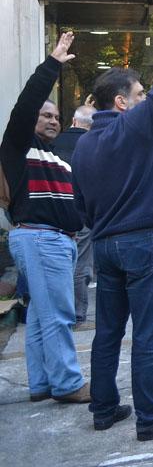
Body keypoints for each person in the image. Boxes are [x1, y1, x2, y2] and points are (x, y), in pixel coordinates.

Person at [72, 4, 153, 440]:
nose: (148, 99)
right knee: (149, 335)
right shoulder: (136, 126)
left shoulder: (84, 146)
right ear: (122, 102)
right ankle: (152, 418)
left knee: (107, 332)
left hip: (105, 246)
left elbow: (81, 206)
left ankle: (103, 409)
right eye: (139, 94)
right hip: (143, 244)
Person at [1, 32, 90, 405]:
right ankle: (68, 383)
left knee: (40, 313)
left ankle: (40, 383)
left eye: (56, 116)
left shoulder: (57, 156)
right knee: (58, 312)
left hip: (57, 240)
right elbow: (25, 106)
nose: (52, 120)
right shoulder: (18, 147)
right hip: (39, 238)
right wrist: (52, 63)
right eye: (45, 115)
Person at [52, 101, 96, 327]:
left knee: (57, 263)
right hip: (81, 212)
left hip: (52, 212)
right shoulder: (93, 144)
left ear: (72, 121)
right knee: (81, 264)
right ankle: (78, 314)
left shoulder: (53, 142)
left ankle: (57, 312)